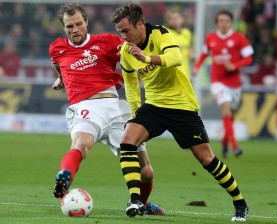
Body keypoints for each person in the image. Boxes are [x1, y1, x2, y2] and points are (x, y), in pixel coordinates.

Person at [112, 3, 248, 222]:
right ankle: (136, 199)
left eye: (125, 30)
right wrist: (135, 114)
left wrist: (146, 58)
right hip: (154, 106)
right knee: (127, 141)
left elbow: (176, 58)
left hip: (181, 105)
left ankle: (240, 203)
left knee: (207, 159)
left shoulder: (160, 33)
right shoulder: (126, 51)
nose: (123, 36)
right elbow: (130, 83)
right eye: (119, 32)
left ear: (139, 24)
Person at [48, 3, 165, 215]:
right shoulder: (57, 48)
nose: (75, 30)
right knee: (81, 143)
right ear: (62, 27)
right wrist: (60, 78)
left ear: (86, 22)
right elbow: (57, 65)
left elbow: (131, 55)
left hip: (115, 107)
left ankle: (141, 203)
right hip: (85, 107)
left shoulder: (108, 41)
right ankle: (64, 175)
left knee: (146, 171)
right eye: (69, 26)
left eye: (78, 24)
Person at [192, 9, 254, 158]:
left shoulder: (239, 38)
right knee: (225, 110)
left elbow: (249, 58)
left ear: (231, 22)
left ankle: (225, 142)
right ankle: (235, 146)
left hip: (235, 84)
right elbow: (204, 54)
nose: (224, 24)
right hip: (218, 82)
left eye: (226, 21)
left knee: (230, 117)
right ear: (217, 23)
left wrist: (235, 65)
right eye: (221, 21)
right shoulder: (211, 38)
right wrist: (197, 67)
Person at [164, 8, 194, 79]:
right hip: (171, 73)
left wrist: (193, 60)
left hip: (185, 72)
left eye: (177, 18)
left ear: (182, 19)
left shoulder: (187, 33)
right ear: (168, 21)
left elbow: (190, 51)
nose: (175, 20)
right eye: (172, 18)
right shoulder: (165, 33)